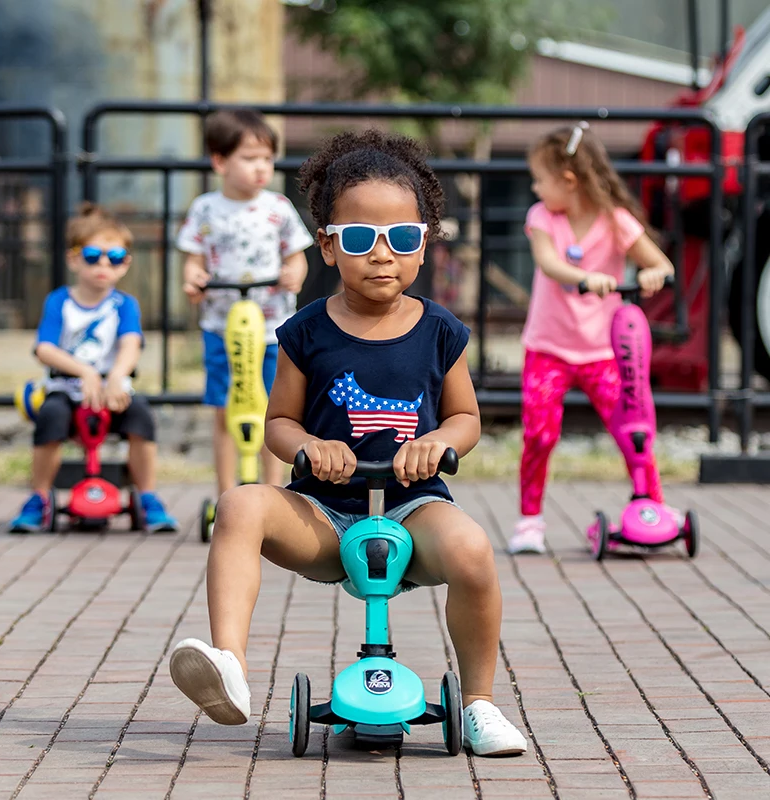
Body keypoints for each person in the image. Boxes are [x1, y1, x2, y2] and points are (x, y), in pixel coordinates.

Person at [168, 130, 529, 757]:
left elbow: (466, 416)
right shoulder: (304, 332)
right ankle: (228, 663)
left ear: (425, 245)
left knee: (472, 551)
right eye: (360, 239)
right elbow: (279, 421)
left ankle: (478, 703)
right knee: (240, 505)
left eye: (402, 238)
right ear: (329, 248)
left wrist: (439, 441)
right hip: (325, 512)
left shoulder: (440, 329)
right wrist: (308, 445)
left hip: (413, 507)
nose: (382, 254)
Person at [508, 122, 675, 556]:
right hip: (548, 348)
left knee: (632, 430)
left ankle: (651, 508)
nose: (534, 187)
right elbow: (548, 263)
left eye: (540, 179)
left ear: (568, 180)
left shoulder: (617, 221)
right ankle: (529, 521)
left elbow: (658, 261)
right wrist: (586, 278)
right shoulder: (542, 217)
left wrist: (655, 272)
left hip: (604, 352)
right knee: (540, 435)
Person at [10, 203, 178, 534]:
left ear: (125, 264)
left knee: (141, 416)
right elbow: (44, 348)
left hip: (112, 392)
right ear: (74, 259)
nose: (103, 264)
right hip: (68, 392)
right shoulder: (60, 302)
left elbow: (131, 344)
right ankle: (39, 497)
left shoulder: (124, 305)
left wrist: (116, 376)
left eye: (114, 257)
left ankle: (147, 496)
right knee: (51, 417)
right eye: (92, 255)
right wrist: (84, 372)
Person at [177, 109, 313, 493]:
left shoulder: (277, 208)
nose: (261, 168)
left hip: (271, 329)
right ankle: (226, 492)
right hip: (222, 327)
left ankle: (272, 493)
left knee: (273, 411)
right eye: (249, 158)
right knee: (226, 411)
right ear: (220, 161)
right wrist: (194, 280)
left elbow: (296, 255)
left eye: (267, 159)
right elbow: (193, 259)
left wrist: (294, 274)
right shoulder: (206, 208)